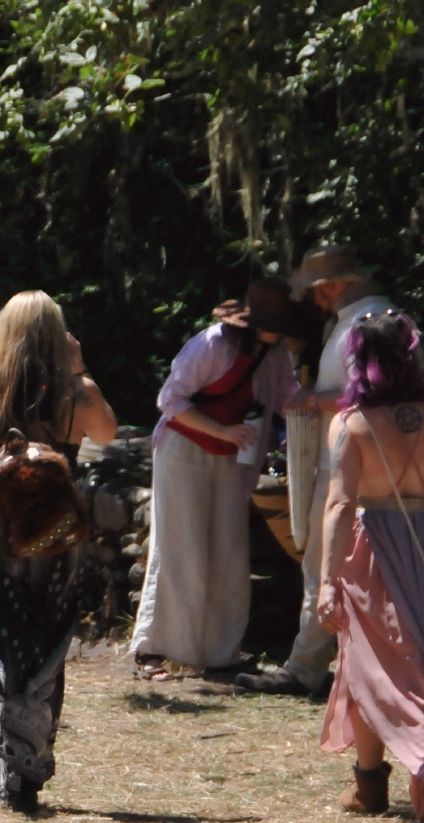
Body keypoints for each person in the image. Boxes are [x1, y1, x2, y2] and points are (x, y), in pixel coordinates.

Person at [0, 291, 114, 812]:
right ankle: (28, 766)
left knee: (1, 641)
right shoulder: (77, 396)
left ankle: (9, 752)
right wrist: (80, 372)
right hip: (57, 541)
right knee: (46, 647)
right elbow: (107, 433)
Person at [314, 311, 424, 823]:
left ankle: (381, 783)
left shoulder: (351, 424)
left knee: (372, 667)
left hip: (376, 552)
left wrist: (327, 580)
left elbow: (341, 504)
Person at [238, 245, 396, 696]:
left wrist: (310, 400)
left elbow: (375, 398)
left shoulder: (367, 325)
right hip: (349, 454)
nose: (317, 299)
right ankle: (325, 663)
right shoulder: (359, 323)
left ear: (333, 285)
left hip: (353, 459)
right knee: (333, 563)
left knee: (328, 562)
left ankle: (309, 667)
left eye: (319, 289)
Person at [128, 279, 298, 685]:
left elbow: (288, 400)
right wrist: (223, 432)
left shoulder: (274, 356)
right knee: (179, 545)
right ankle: (154, 649)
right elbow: (171, 401)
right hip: (184, 452)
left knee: (229, 551)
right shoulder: (210, 344)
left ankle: (220, 653)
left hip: (232, 459)